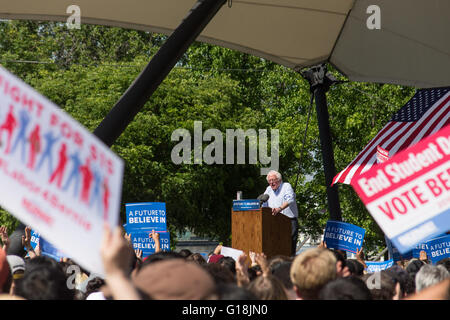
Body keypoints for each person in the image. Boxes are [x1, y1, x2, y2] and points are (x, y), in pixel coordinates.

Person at [262, 170, 299, 256]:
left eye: (273, 180)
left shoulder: (286, 186)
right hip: (274, 222)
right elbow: (263, 203)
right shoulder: (268, 189)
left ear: (279, 180)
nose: (271, 183)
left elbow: (290, 199)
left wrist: (279, 208)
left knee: (289, 248)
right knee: (275, 247)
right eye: (269, 181)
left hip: (288, 221)